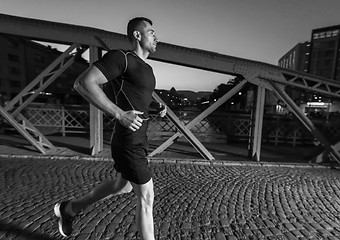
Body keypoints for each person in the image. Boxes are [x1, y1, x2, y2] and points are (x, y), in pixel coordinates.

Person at [54, 17, 166, 240]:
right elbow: (84, 83)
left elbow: (137, 94)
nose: (156, 37)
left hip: (140, 137)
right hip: (128, 140)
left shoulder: (147, 68)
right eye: (151, 32)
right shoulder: (122, 57)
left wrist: (156, 105)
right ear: (137, 35)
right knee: (146, 197)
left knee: (121, 187)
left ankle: (70, 208)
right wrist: (119, 114)